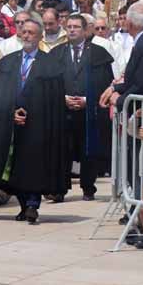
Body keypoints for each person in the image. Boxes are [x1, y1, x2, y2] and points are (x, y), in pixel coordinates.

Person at [0, 18, 67, 224]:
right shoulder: (8, 63)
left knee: (34, 166)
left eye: (31, 33)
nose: (27, 36)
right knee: (15, 167)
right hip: (12, 125)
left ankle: (33, 205)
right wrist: (10, 113)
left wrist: (32, 112)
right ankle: (24, 205)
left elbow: (53, 101)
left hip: (39, 126)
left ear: (40, 37)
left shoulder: (50, 65)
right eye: (24, 32)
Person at [50, 14, 114, 201]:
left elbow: (105, 82)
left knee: (89, 150)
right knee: (63, 150)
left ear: (86, 30)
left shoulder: (98, 53)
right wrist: (62, 98)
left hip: (89, 111)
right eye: (69, 26)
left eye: (76, 26)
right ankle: (59, 189)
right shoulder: (57, 53)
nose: (71, 30)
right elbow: (50, 83)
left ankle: (88, 187)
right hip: (64, 110)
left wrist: (89, 100)